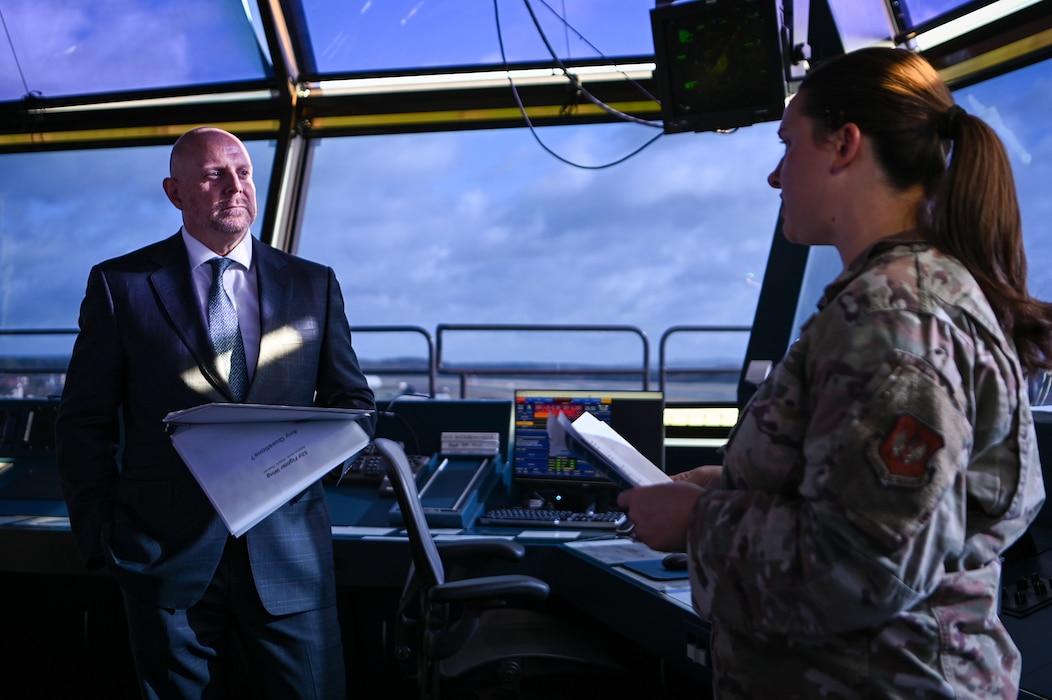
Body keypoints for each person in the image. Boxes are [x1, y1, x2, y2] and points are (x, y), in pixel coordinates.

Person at [618, 46, 1052, 698]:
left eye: (788, 144)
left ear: (844, 145)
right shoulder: (892, 299)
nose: (775, 176)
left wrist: (697, 523)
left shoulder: (895, 319)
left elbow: (864, 565)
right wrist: (730, 484)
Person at [55, 126, 376, 699]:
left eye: (244, 172)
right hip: (164, 558)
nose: (235, 186)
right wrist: (104, 539)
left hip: (290, 557)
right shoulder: (121, 286)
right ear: (175, 192)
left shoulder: (313, 284)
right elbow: (83, 422)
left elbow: (355, 408)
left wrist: (299, 468)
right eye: (213, 175)